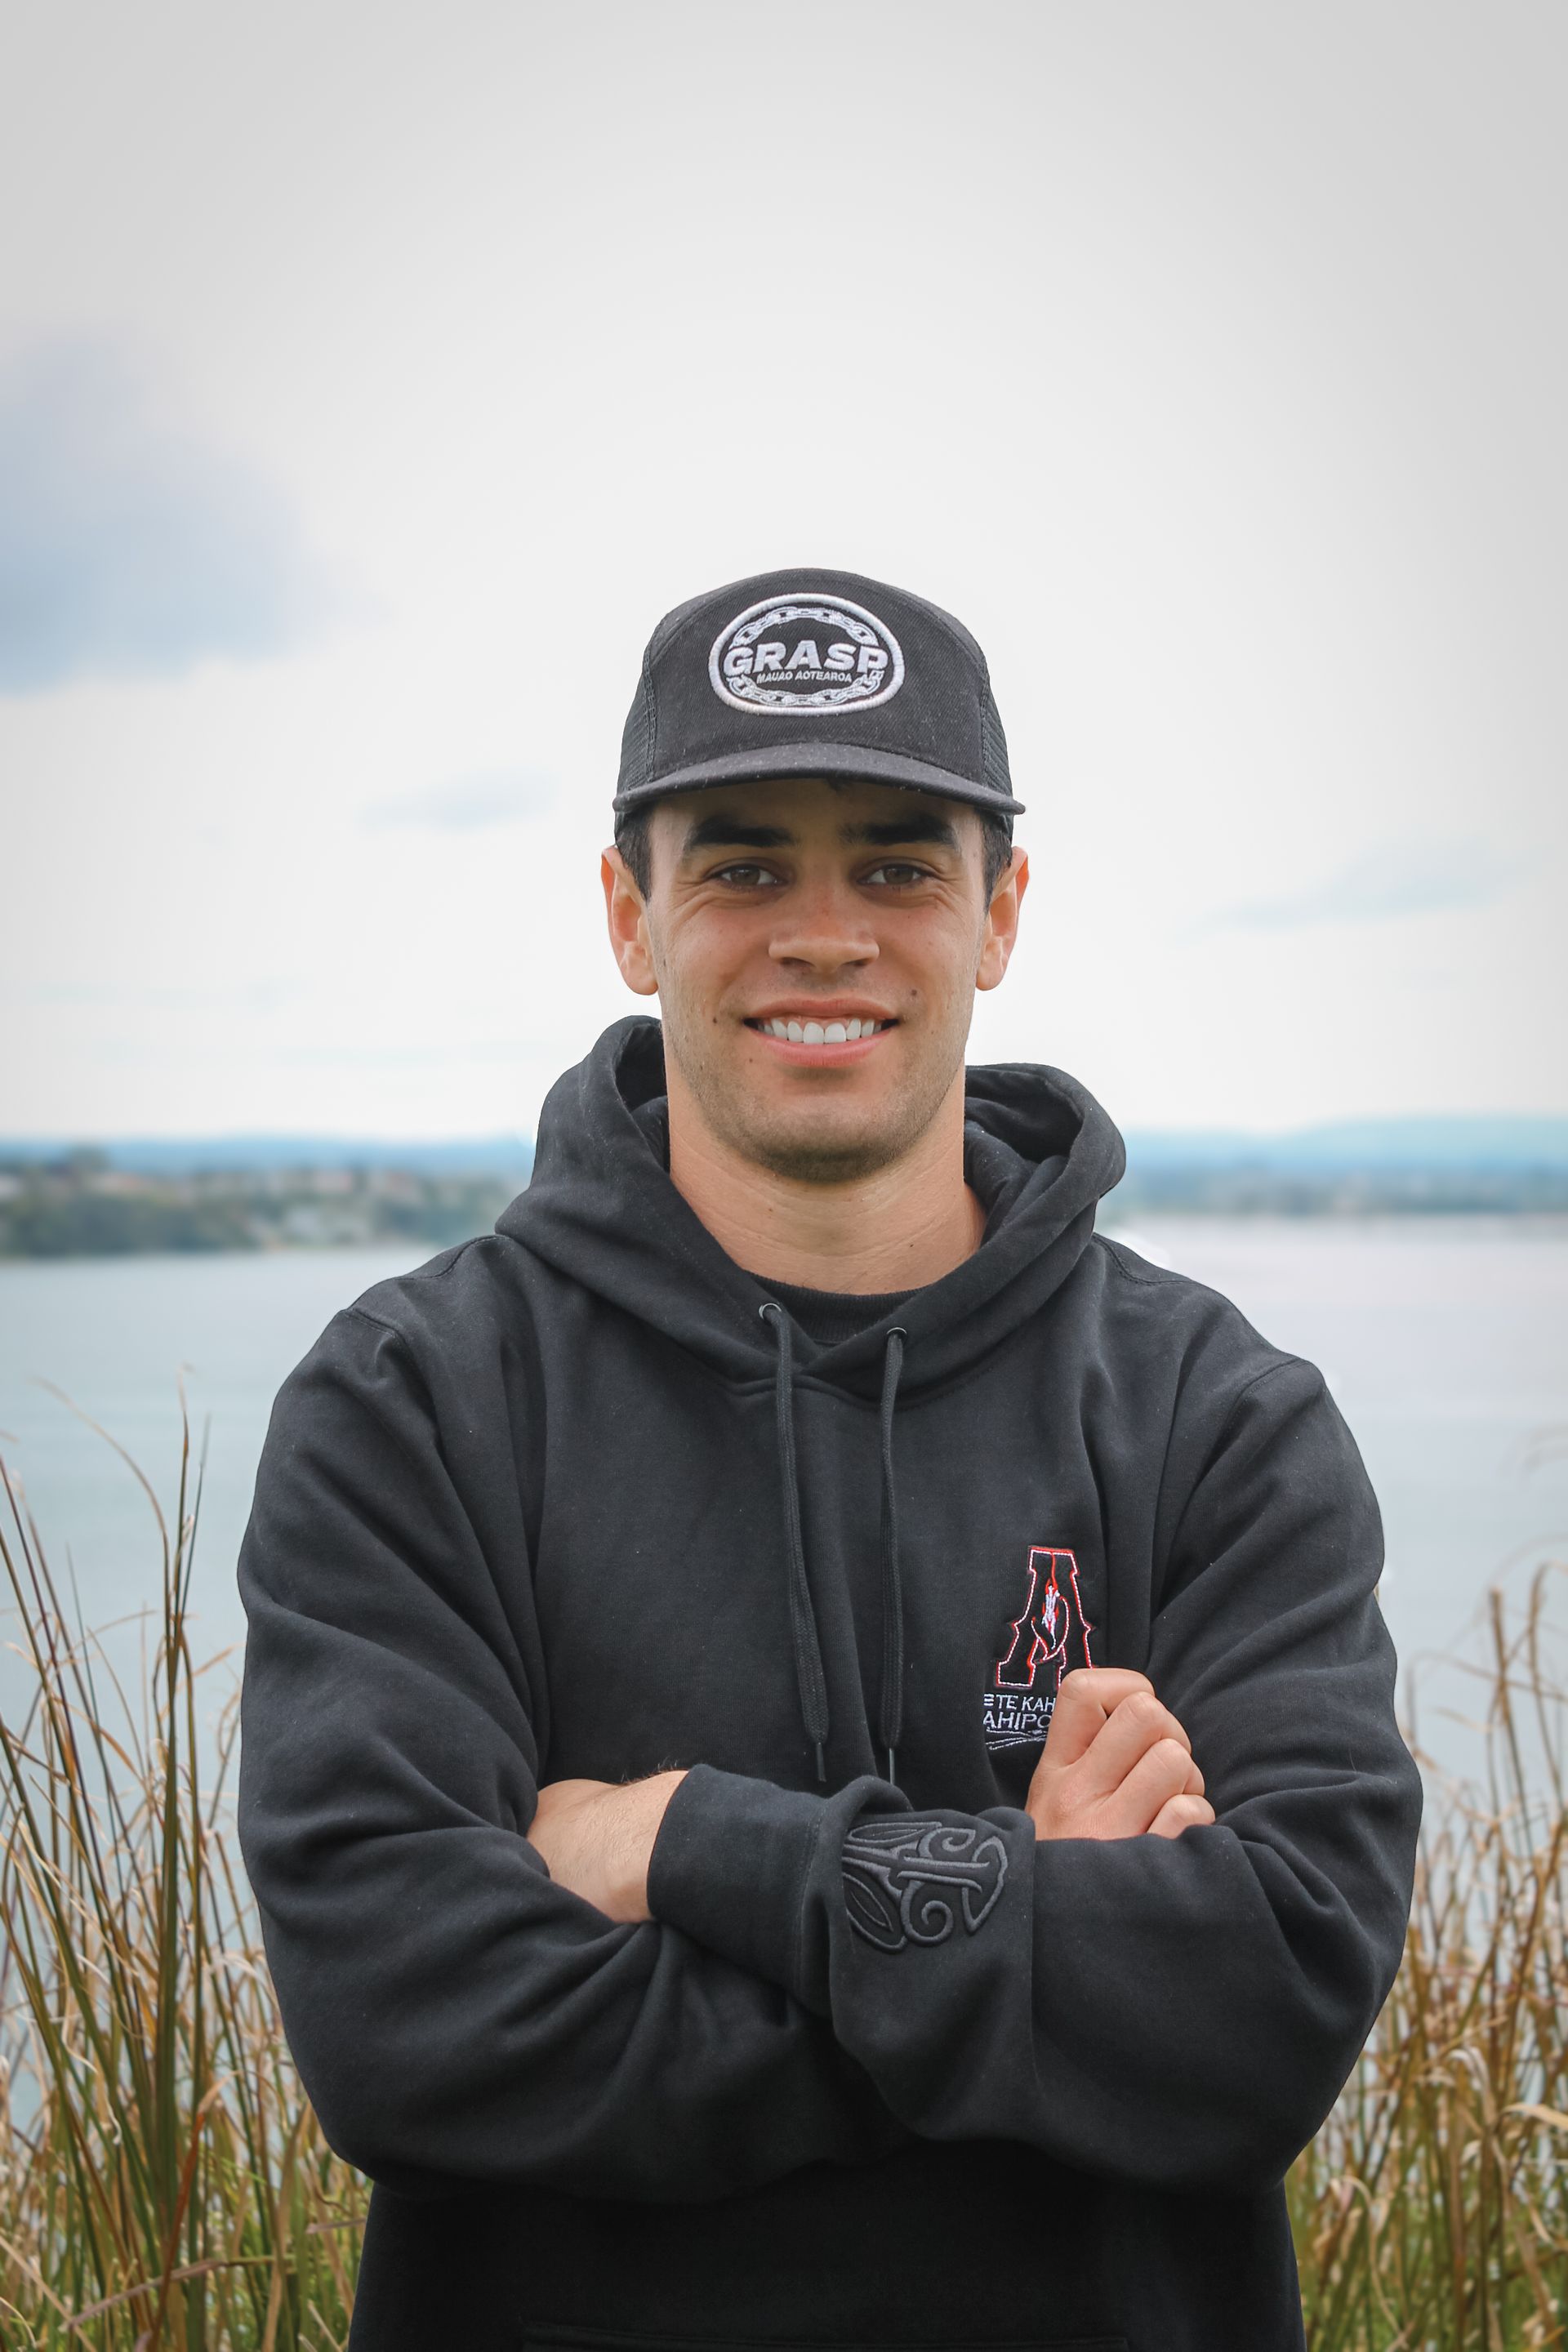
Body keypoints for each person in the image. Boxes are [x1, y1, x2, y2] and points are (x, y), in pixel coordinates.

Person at [238, 568, 1422, 2352]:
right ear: (630, 913)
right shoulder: (415, 1406)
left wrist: (701, 1850)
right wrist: (1033, 1959)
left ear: (999, 910)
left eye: (894, 862)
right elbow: (409, 2035)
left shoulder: (1218, 1419)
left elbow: (1261, 2017)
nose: (821, 934)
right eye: (739, 863)